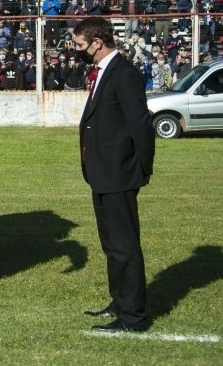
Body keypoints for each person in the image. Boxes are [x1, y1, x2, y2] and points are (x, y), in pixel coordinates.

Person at [73, 17, 155, 333]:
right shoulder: (105, 72)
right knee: (111, 246)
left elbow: (140, 126)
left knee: (124, 247)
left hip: (120, 173)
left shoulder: (124, 73)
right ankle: (119, 302)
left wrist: (141, 168)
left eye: (81, 45)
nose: (77, 50)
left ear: (97, 42)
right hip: (102, 173)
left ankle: (133, 317)